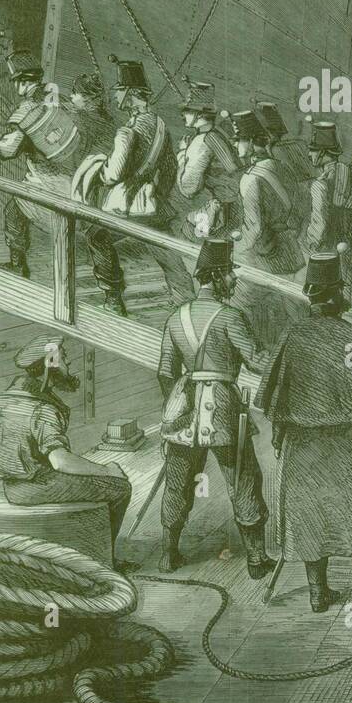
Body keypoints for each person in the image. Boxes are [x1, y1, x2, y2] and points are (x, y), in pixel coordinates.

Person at [257, 248, 352, 610]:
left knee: (309, 515)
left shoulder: (294, 335)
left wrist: (277, 436)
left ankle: (318, 591)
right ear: (338, 296)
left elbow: (276, 395)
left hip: (304, 447)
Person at [157, 236, 276, 578]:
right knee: (244, 479)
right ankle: (255, 559)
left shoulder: (175, 318)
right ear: (218, 275)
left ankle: (168, 556)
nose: (235, 280)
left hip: (184, 410)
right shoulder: (230, 317)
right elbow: (255, 360)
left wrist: (180, 402)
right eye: (231, 274)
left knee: (178, 481)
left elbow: (165, 371)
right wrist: (283, 362)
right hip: (222, 407)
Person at [0, 337, 131, 555]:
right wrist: (108, 471)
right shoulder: (41, 407)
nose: (68, 363)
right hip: (38, 486)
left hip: (11, 487)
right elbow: (60, 461)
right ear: (49, 365)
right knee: (120, 488)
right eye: (63, 358)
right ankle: (104, 559)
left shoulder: (0, 400)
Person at [77, 57, 194, 314]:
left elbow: (113, 175)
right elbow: (170, 167)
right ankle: (186, 302)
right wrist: (158, 194)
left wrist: (98, 170)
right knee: (167, 254)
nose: (116, 95)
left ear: (130, 93)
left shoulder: (126, 131)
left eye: (119, 90)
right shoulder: (160, 125)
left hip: (127, 206)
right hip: (155, 204)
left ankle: (113, 299)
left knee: (96, 236)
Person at [0, 50, 80, 279]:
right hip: (77, 180)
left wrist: (3, 142)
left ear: (22, 82)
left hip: (48, 182)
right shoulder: (60, 99)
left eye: (16, 82)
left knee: (14, 210)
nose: (16, 87)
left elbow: (7, 150)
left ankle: (18, 265)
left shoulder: (26, 109)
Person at [231, 108, 304, 346]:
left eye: (238, 138)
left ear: (252, 142)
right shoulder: (283, 168)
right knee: (288, 316)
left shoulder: (250, 178)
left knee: (236, 310)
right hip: (290, 254)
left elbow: (254, 228)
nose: (235, 144)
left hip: (264, 259)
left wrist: (236, 253)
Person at [176, 81, 241, 241]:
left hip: (216, 215)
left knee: (187, 235)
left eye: (187, 111)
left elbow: (188, 188)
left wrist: (183, 154)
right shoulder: (218, 134)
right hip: (236, 211)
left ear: (198, 114)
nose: (183, 115)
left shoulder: (201, 142)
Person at [306, 119, 352, 302]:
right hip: (351, 247)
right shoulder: (351, 175)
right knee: (351, 295)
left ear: (322, 152)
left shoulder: (320, 184)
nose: (309, 154)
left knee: (329, 300)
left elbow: (319, 223)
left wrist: (312, 245)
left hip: (328, 254)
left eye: (313, 150)